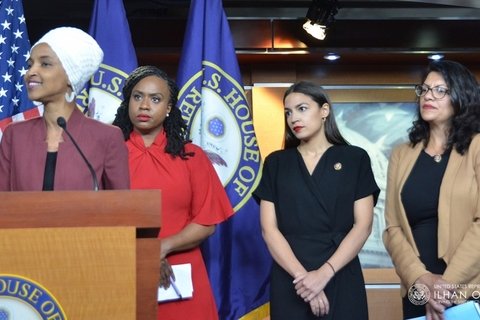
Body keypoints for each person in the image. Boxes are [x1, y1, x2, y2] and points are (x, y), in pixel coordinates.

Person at [112, 65, 234, 320]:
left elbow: (206, 222)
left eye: (155, 99)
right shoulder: (108, 154)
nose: (145, 105)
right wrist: (144, 252)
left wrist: (161, 248)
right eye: (138, 96)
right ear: (128, 103)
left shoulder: (192, 156)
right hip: (121, 267)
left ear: (168, 108)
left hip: (180, 274)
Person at [253, 81, 380, 319]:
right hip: (290, 275)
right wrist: (305, 280)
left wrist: (323, 274)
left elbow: (363, 226)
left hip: (340, 270)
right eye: (288, 112)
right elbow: (269, 230)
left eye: (302, 109)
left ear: (324, 111)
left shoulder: (355, 158)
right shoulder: (276, 163)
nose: (293, 118)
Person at [383, 60, 480, 320]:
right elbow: (393, 228)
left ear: (461, 96)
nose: (428, 96)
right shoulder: (401, 154)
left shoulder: (477, 147)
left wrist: (444, 288)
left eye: (440, 90)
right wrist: (422, 279)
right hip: (419, 291)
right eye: (424, 89)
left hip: (469, 290)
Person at [0, 27, 129, 191]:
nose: (30, 72)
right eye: (30, 65)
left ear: (71, 75)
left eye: (45, 64)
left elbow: (122, 208)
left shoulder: (107, 137)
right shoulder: (14, 135)